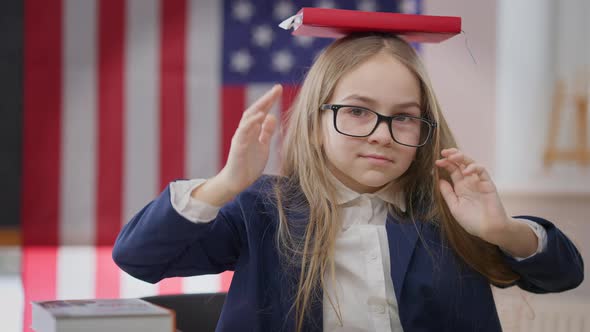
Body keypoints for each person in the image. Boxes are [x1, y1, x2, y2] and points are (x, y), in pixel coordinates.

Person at [112, 32, 584, 332]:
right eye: (357, 111)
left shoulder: (448, 211)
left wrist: (502, 231)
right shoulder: (260, 209)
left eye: (404, 118)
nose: (381, 133)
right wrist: (225, 183)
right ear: (317, 123)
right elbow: (139, 257)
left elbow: (564, 275)